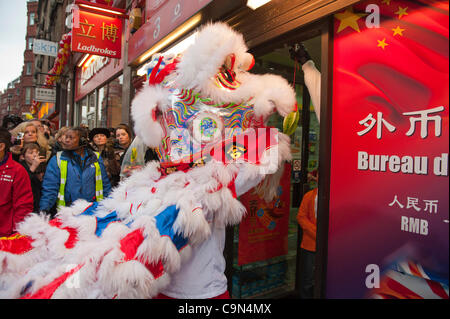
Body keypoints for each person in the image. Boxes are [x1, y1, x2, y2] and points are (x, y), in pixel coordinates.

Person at [39, 127, 112, 215]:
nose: (66, 140)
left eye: (71, 137)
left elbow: (105, 185)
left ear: (82, 140)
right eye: (65, 137)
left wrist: (109, 207)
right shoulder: (57, 159)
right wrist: (43, 210)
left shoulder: (96, 157)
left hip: (93, 211)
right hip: (67, 213)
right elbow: (50, 188)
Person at [0, 127, 34, 237]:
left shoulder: (17, 171)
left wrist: (17, 234)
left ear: (1, 146)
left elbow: (23, 206)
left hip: (5, 236)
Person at [296, 186, 318, 299]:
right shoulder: (309, 196)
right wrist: (317, 233)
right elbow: (301, 217)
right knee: (307, 279)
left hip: (329, 246)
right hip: (309, 245)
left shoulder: (335, 197)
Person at [19, 143, 46, 213]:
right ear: (22, 157)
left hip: (37, 204)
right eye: (31, 153)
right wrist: (33, 167)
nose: (35, 155)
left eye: (37, 152)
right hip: (25, 206)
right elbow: (24, 184)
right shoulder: (20, 168)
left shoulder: (41, 166)